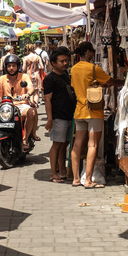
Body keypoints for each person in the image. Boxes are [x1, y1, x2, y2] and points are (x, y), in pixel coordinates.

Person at [70, 41, 123, 188]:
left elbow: (81, 86)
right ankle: (87, 180)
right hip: (93, 111)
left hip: (79, 110)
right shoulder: (93, 68)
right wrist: (123, 82)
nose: (93, 54)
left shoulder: (74, 69)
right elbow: (111, 81)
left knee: (77, 145)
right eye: (92, 51)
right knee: (92, 144)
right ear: (87, 52)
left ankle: (75, 179)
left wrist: (98, 84)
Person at [42, 46, 76, 183]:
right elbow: (47, 100)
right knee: (56, 144)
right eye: (62, 61)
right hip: (58, 116)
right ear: (53, 63)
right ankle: (53, 173)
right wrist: (50, 119)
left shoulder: (66, 76)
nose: (65, 63)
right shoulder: (50, 79)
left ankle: (62, 170)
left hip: (69, 115)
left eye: (67, 61)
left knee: (64, 144)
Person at [0, 54, 40, 148]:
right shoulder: (2, 79)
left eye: (14, 66)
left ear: (18, 66)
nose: (11, 68)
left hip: (22, 105)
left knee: (31, 112)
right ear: (5, 67)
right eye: (9, 66)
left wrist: (27, 95)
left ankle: (25, 139)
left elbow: (31, 88)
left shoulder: (24, 77)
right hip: (7, 106)